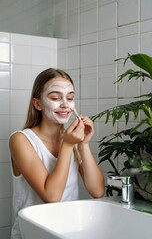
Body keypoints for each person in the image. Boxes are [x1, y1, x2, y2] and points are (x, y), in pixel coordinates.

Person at [9, 68, 105, 239]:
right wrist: (67, 145)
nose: (65, 105)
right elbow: (52, 197)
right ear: (38, 104)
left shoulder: (71, 139)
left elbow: (97, 191)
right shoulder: (20, 140)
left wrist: (83, 144)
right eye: (55, 97)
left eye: (70, 98)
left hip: (66, 231)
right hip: (32, 233)